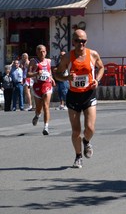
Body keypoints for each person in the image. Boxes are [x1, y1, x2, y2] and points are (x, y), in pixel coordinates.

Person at [55, 29, 104, 168]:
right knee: (76, 131)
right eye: (77, 41)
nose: (80, 43)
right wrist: (66, 78)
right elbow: (57, 74)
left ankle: (86, 141)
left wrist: (97, 80)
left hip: (89, 94)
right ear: (73, 42)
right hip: (73, 95)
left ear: (86, 41)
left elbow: (101, 68)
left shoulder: (93, 54)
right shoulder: (67, 57)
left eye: (83, 41)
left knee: (90, 128)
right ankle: (78, 156)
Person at [28, 45, 55, 135]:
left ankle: (46, 127)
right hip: (37, 86)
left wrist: (52, 79)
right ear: (37, 52)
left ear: (46, 52)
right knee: (39, 108)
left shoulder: (48, 61)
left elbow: (49, 72)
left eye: (43, 51)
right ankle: (37, 115)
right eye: (40, 51)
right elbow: (28, 74)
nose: (42, 53)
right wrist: (36, 73)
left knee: (46, 105)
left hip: (47, 85)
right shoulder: (33, 61)